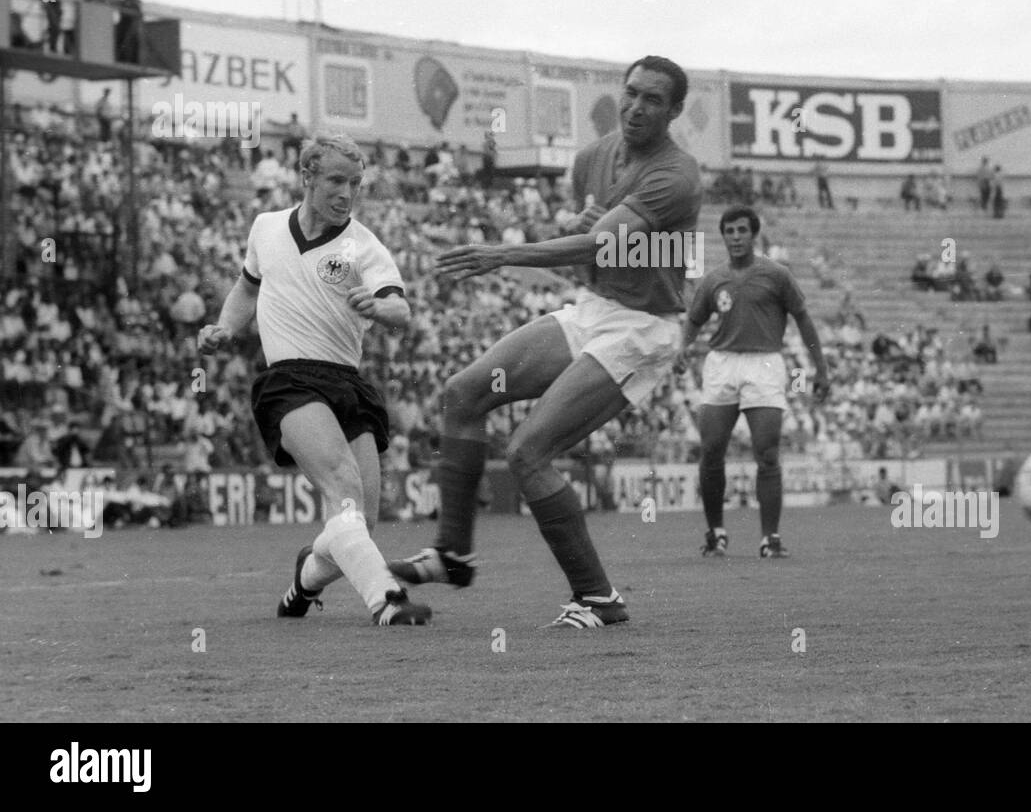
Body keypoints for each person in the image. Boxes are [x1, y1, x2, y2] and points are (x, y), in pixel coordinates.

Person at [386, 56, 702, 628]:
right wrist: (590, 227)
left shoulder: (676, 175)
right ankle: (452, 553)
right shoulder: (593, 157)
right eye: (631, 92)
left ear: (675, 110)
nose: (636, 106)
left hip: (641, 329)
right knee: (463, 393)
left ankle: (600, 600)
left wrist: (502, 254)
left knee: (529, 452)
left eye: (653, 99)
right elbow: (595, 246)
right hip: (595, 311)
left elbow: (596, 246)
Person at [198, 132, 431, 626]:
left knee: (360, 524)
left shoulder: (363, 245)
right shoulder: (266, 227)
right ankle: (386, 600)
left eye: (355, 183)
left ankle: (303, 581)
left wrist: (379, 305)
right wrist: (224, 327)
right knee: (343, 485)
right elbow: (246, 287)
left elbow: (402, 309)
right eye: (335, 181)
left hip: (347, 380)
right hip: (290, 380)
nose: (346, 193)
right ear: (306, 177)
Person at [677, 206, 829, 559]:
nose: (735, 236)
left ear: (753, 233)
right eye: (729, 230)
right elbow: (694, 320)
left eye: (742, 230)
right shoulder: (714, 279)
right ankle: (716, 533)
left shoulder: (777, 275)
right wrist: (683, 348)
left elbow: (804, 320)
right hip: (722, 364)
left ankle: (769, 538)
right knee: (712, 450)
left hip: (764, 362)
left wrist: (820, 369)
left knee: (767, 453)